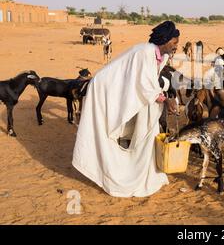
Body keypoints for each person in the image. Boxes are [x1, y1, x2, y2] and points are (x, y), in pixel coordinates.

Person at [72, 21, 179, 197]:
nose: (176, 46)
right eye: (174, 42)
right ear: (165, 40)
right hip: (104, 90)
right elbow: (145, 84)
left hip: (123, 89)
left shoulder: (160, 55)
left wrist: (161, 98)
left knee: (148, 122)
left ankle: (142, 172)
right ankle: (114, 177)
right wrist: (165, 100)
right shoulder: (146, 52)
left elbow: (148, 81)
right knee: (104, 133)